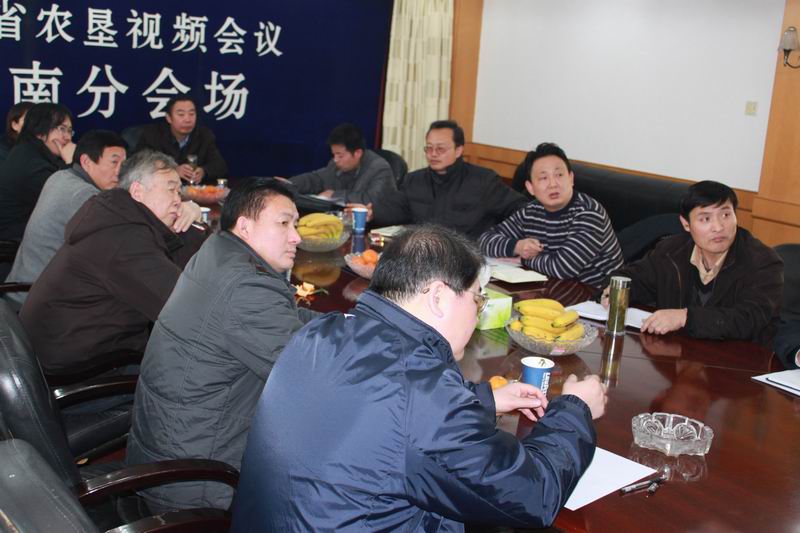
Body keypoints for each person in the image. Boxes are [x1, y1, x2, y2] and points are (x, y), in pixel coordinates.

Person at [231, 224, 608, 531]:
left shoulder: (322, 332)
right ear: (439, 297)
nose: (477, 313)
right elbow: (533, 495)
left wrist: (484, 400)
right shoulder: (422, 392)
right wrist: (575, 410)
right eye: (477, 298)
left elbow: (381, 415)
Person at [126, 178, 320, 512]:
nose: (296, 237)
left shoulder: (218, 252)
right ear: (244, 226)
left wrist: (344, 324)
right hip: (198, 481)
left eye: (296, 225)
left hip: (166, 453)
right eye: (284, 223)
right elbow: (311, 376)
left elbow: (284, 318)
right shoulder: (245, 286)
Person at [19, 150, 206, 377]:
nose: (179, 200)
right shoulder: (124, 240)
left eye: (179, 192)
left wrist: (189, 222)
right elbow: (187, 309)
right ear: (137, 191)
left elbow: (179, 269)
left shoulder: (117, 217)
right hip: (81, 371)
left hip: (61, 352)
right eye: (171, 189)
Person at [4, 130, 202, 309]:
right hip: (38, 297)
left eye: (123, 164)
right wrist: (184, 212)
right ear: (86, 162)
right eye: (114, 162)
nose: (120, 172)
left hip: (32, 290)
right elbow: (136, 238)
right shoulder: (89, 199)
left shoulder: (61, 177)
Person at [603, 180, 783, 344]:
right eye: (705, 219)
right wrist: (615, 290)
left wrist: (685, 317)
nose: (718, 227)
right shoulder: (670, 250)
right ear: (686, 224)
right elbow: (636, 277)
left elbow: (748, 319)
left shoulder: (763, 262)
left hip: (738, 358)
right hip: (677, 351)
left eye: (726, 215)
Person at [479, 142, 623, 288]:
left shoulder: (589, 212)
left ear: (571, 178)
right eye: (543, 178)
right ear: (530, 187)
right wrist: (517, 247)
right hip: (551, 288)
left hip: (595, 295)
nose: (553, 184)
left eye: (559, 175)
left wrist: (524, 259)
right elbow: (484, 241)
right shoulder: (531, 211)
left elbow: (563, 267)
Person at [372, 120, 527, 239]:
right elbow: (396, 208)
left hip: (469, 256)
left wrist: (504, 241)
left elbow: (519, 209)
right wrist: (373, 213)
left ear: (458, 150)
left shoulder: (483, 181)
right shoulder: (414, 180)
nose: (433, 154)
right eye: (429, 148)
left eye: (440, 149)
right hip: (423, 253)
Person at [0, 103, 76, 242]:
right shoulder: (30, 162)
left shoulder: (32, 151)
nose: (67, 137)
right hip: (14, 242)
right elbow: (66, 202)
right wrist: (70, 163)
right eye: (62, 129)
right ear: (40, 132)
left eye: (70, 131)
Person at [282, 122, 396, 205]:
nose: (335, 160)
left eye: (340, 155)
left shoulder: (379, 169)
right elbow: (316, 179)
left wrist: (334, 195)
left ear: (357, 153)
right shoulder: (335, 164)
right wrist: (289, 184)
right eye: (334, 155)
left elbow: (372, 199)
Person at [135, 94, 228, 184]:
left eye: (191, 114)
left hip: (192, 191)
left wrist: (204, 171)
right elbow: (139, 164)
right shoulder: (152, 135)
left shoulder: (204, 135)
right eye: (181, 114)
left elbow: (220, 165)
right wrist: (172, 170)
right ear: (169, 118)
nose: (187, 119)